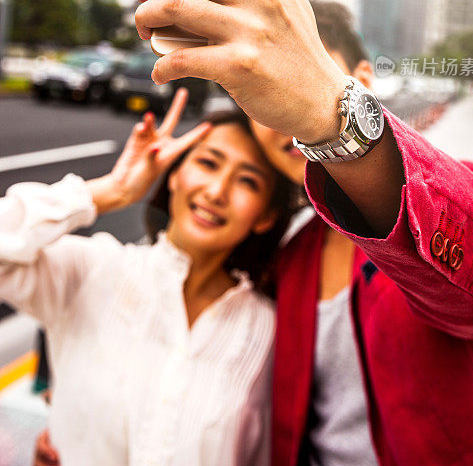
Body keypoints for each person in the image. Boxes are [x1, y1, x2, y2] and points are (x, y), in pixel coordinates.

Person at [128, 0, 473, 465]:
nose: (278, 109)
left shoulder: (444, 200)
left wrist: (329, 112)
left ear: (362, 80)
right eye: (254, 86)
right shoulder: (289, 262)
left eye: (294, 74)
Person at [1, 89, 297, 466]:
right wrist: (112, 191)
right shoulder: (91, 270)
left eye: (247, 182)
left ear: (266, 217)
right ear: (174, 176)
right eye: (208, 163)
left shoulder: (270, 330)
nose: (217, 191)